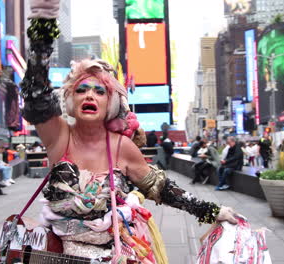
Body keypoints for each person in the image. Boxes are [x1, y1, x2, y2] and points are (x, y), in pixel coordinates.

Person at [18, 6, 237, 260]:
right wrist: (43, 23)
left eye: (99, 91)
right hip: (58, 256)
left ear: (110, 103)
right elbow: (36, 97)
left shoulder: (122, 146)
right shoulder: (59, 136)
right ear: (71, 100)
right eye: (82, 90)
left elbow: (162, 188)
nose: (90, 95)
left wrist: (211, 210)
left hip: (114, 256)